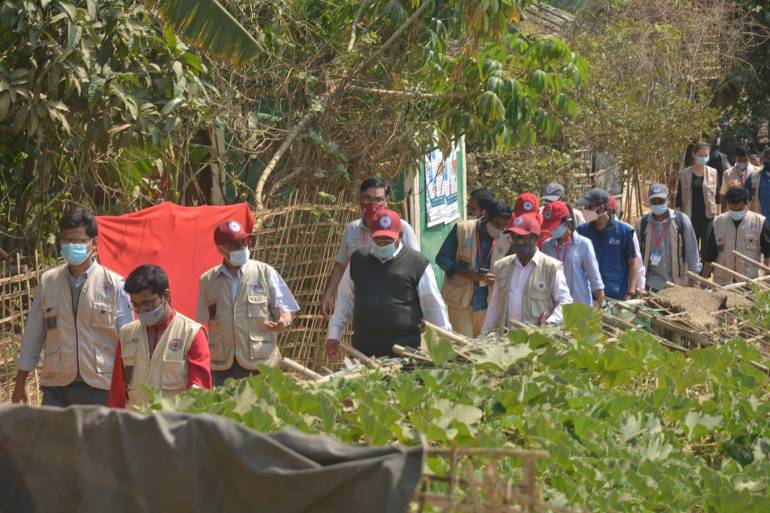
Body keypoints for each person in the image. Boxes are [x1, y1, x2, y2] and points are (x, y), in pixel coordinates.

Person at [12, 208, 133, 406]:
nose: (70, 246)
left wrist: (129, 385)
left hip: (100, 386)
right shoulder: (48, 282)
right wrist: (20, 381)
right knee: (55, 438)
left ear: (93, 244)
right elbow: (33, 336)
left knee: (96, 439)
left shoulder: (114, 284)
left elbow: (129, 341)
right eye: (66, 240)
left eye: (77, 241)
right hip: (57, 387)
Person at [325, 209, 451, 358]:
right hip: (363, 350)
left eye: (388, 240)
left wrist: (444, 341)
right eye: (378, 239)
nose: (383, 244)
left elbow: (433, 305)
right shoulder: (358, 260)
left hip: (405, 350)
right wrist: (333, 335)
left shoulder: (417, 263)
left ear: (401, 236)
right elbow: (344, 301)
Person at [197, 220, 300, 386]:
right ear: (220, 249)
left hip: (260, 362)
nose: (242, 248)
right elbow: (202, 323)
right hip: (222, 366)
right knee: (224, 410)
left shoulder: (265, 272)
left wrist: (283, 320)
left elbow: (285, 308)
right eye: (235, 246)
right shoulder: (207, 281)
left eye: (244, 242)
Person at [108, 265, 212, 408]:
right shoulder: (126, 334)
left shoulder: (192, 334)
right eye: (135, 305)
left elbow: (200, 393)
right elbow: (117, 392)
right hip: (134, 424)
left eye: (147, 303)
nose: (141, 310)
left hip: (173, 426)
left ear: (166, 295)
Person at [320, 178, 419, 318]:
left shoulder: (402, 229)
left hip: (396, 307)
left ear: (386, 202)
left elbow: (416, 268)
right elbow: (341, 266)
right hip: (361, 307)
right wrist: (328, 293)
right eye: (368, 198)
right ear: (361, 200)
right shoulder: (351, 230)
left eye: (378, 199)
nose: (373, 204)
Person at [481, 214, 572, 334]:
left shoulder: (551, 268)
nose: (517, 242)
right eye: (513, 237)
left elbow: (565, 301)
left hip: (537, 342)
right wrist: (484, 335)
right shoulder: (502, 266)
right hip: (507, 341)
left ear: (535, 238)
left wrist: (550, 323)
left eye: (521, 237)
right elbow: (495, 306)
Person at [435, 199, 512, 337]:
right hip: (460, 303)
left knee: (480, 350)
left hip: (486, 305)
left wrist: (497, 278)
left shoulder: (506, 239)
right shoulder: (462, 229)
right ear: (486, 215)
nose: (499, 230)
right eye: (497, 224)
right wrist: (469, 275)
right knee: (464, 349)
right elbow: (441, 259)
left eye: (503, 227)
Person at [635, 184, 700, 292]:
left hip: (677, 284)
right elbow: (635, 255)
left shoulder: (682, 221)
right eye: (654, 201)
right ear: (649, 202)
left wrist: (695, 281)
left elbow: (692, 252)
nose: (657, 204)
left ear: (667, 199)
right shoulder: (642, 223)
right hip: (651, 284)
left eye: (660, 201)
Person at [576, 188, 639, 300]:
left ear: (600, 208)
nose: (584, 211)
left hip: (616, 296)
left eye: (588, 207)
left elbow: (633, 264)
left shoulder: (624, 232)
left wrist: (631, 292)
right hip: (589, 297)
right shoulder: (581, 231)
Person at [702, 186, 770, 286]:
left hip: (750, 282)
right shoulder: (718, 223)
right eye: (733, 210)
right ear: (727, 204)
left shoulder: (759, 222)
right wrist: (703, 280)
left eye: (740, 210)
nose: (736, 213)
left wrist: (767, 279)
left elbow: (768, 254)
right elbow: (710, 254)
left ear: (747, 203)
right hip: (723, 282)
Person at [541, 201, 605, 307]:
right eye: (550, 227)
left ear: (566, 222)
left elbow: (595, 279)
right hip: (554, 308)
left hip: (579, 307)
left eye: (555, 226)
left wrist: (602, 303)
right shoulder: (546, 246)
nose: (552, 229)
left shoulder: (583, 244)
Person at [676, 141, 719, 251]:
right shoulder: (684, 174)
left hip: (708, 217)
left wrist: (718, 216)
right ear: (694, 154)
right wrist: (678, 218)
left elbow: (717, 196)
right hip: (690, 216)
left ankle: (705, 268)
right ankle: (692, 268)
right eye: (700, 155)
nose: (703, 158)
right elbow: (679, 198)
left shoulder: (713, 172)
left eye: (706, 155)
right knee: (691, 247)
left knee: (707, 248)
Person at [608, 194, 647, 291]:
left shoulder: (626, 231)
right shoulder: (589, 231)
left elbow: (637, 264)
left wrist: (639, 289)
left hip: (620, 293)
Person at [745, 149, 770, 219]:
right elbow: (745, 199)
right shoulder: (753, 177)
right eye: (767, 158)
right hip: (759, 223)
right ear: (762, 160)